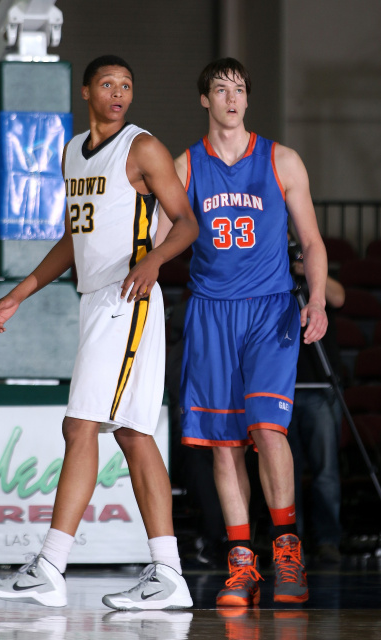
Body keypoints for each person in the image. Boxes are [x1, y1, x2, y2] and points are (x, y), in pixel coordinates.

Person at [0, 55, 199, 610]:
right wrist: (17, 295)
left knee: (80, 426)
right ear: (85, 92)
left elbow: (187, 220)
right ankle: (168, 573)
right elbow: (72, 243)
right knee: (131, 434)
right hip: (95, 299)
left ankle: (50, 566)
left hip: (129, 299)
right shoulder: (72, 153)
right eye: (108, 84)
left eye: (127, 84)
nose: (119, 92)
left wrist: (152, 264)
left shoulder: (141, 148)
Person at [158, 57, 328, 606]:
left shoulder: (282, 160)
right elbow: (160, 238)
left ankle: (286, 549)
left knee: (267, 429)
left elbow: (313, 240)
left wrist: (319, 298)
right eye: (219, 89)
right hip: (210, 312)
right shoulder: (185, 165)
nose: (231, 97)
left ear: (248, 100)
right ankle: (241, 562)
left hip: (269, 310)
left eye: (239, 89)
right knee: (224, 445)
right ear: (204, 100)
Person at [288, 244, 345, 564]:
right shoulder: (269, 272)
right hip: (284, 386)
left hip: (321, 386)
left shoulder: (313, 265)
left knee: (326, 470)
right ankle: (288, 545)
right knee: (286, 472)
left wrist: (307, 272)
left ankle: (327, 541)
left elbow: (338, 297)